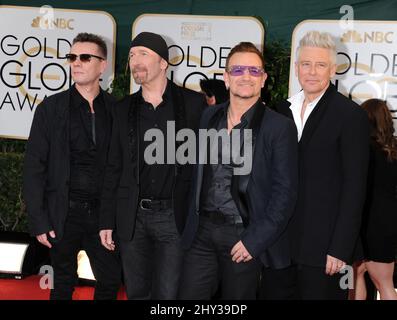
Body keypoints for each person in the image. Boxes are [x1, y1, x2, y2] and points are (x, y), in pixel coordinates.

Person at [178, 42, 298, 299]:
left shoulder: (280, 127)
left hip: (244, 233)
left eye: (254, 71)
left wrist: (254, 241)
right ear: (226, 78)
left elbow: (284, 194)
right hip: (202, 231)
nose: (246, 76)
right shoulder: (209, 117)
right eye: (238, 70)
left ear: (264, 79)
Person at [99, 32, 207, 300]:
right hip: (133, 217)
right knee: (136, 292)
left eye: (143, 54)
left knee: (168, 294)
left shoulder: (194, 105)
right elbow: (113, 167)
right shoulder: (122, 109)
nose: (135, 61)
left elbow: (203, 164)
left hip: (174, 215)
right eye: (132, 55)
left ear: (163, 64)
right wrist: (106, 220)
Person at [23, 33, 121, 300]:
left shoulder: (117, 110)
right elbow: (34, 168)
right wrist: (39, 221)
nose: (76, 63)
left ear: (103, 66)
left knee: (111, 280)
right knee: (62, 282)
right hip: (63, 213)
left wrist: (116, 217)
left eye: (85, 57)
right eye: (72, 57)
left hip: (103, 217)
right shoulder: (50, 109)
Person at [276, 31, 370, 300]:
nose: (312, 72)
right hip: (280, 248)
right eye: (306, 64)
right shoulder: (280, 111)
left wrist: (340, 248)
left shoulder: (350, 116)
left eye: (320, 65)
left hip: (325, 252)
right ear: (297, 68)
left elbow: (355, 189)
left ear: (333, 69)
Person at [352, 99, 397, 300]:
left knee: (355, 277)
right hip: (387, 223)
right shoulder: (394, 149)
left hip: (363, 221)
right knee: (385, 283)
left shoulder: (361, 148)